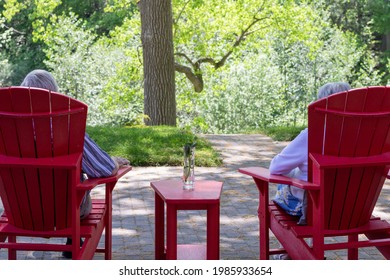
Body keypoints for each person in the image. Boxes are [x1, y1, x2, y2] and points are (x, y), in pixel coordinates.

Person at [21, 69, 130, 258]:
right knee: (79, 189)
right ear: (54, 95)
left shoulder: (9, 134)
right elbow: (104, 169)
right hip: (66, 213)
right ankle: (73, 240)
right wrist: (115, 162)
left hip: (22, 212)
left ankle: (72, 241)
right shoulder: (68, 127)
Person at [269, 82, 351, 259]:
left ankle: (292, 254)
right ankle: (292, 254)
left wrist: (294, 174)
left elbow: (275, 168)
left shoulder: (311, 135)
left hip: (313, 211)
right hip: (352, 210)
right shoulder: (366, 136)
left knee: (282, 189)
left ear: (320, 106)